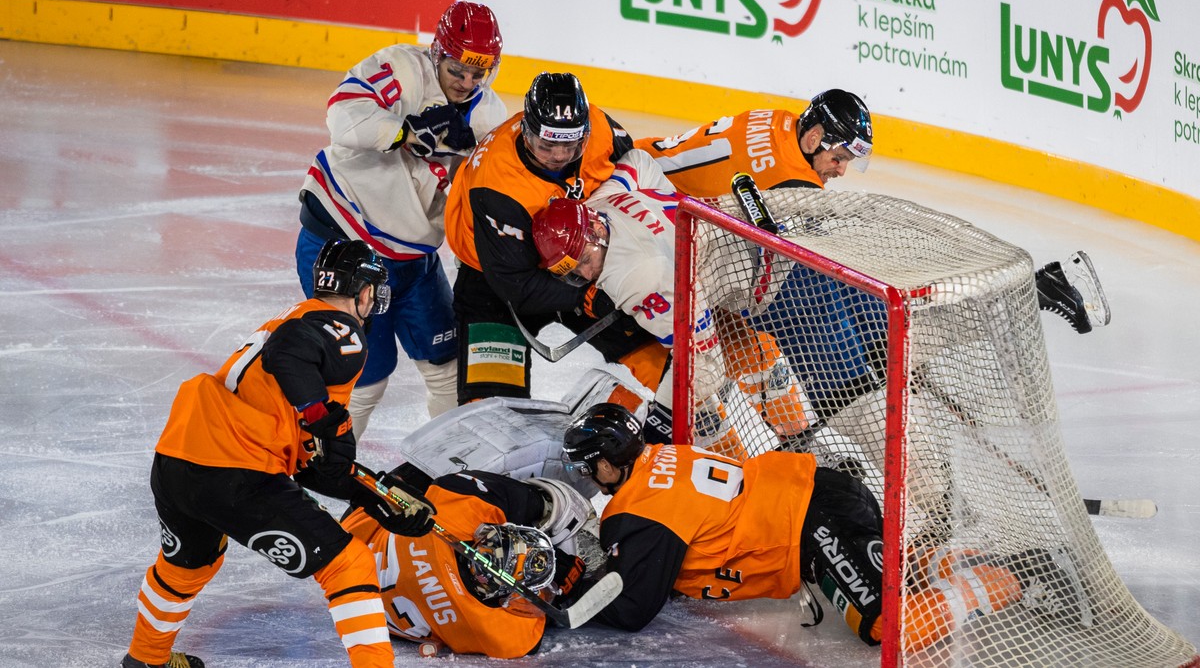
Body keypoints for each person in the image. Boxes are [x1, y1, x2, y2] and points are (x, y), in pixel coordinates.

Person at [122, 240, 436, 668]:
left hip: (179, 458)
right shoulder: (342, 331)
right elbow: (288, 354)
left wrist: (371, 493)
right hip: (236, 471)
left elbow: (312, 462)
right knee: (349, 565)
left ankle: (145, 658)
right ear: (363, 291)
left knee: (187, 565)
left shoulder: (294, 319)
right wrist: (323, 415)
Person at [560, 403, 1084, 651]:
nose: (586, 476)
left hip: (810, 523)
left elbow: (633, 609)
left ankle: (1017, 580)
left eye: (587, 465)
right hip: (820, 491)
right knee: (889, 572)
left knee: (883, 624)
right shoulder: (661, 455)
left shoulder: (640, 506)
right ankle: (1003, 563)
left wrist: (563, 591)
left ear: (608, 461)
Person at [635, 88, 1111, 336]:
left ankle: (1029, 291)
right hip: (643, 209)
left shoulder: (780, 122)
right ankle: (1027, 291)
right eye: (838, 159)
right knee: (864, 304)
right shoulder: (791, 176)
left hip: (646, 179)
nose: (840, 171)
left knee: (860, 304)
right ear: (816, 137)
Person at [296, 1, 508, 440]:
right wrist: (404, 132)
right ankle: (326, 474)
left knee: (447, 367)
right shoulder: (398, 69)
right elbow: (342, 116)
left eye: (478, 73)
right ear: (437, 53)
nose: (467, 83)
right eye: (457, 70)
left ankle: (449, 468)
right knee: (363, 377)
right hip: (343, 243)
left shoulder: (490, 115)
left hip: (413, 258)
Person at [530, 150, 812, 455]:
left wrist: (657, 425)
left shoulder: (635, 277)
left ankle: (777, 466)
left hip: (779, 287)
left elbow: (704, 367)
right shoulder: (600, 203)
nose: (586, 274)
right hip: (764, 239)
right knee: (745, 356)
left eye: (585, 260)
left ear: (597, 231)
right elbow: (639, 160)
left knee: (845, 390)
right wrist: (673, 222)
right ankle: (804, 448)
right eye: (572, 271)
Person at [444, 71, 670, 407]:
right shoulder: (497, 181)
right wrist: (585, 299)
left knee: (665, 362)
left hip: (583, 259)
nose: (559, 156)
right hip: (493, 283)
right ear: (526, 130)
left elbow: (631, 183)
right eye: (546, 144)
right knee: (491, 408)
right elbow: (516, 285)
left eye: (570, 144)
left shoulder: (600, 129)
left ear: (585, 132)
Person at [340, 466, 592, 658]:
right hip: (347, 582)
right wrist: (564, 581)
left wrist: (535, 506)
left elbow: (486, 488)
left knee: (421, 476)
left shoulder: (456, 511)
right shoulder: (495, 632)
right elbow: (536, 612)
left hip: (355, 534)